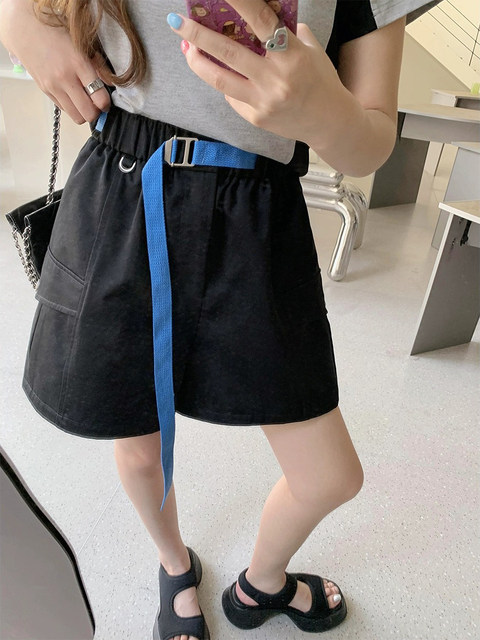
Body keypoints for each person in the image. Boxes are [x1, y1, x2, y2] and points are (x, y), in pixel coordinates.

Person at [0, 1, 442, 639]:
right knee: (139, 447)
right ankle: (173, 565)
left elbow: (370, 142)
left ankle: (261, 582)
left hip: (259, 213)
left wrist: (325, 111)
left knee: (330, 476)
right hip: (128, 191)